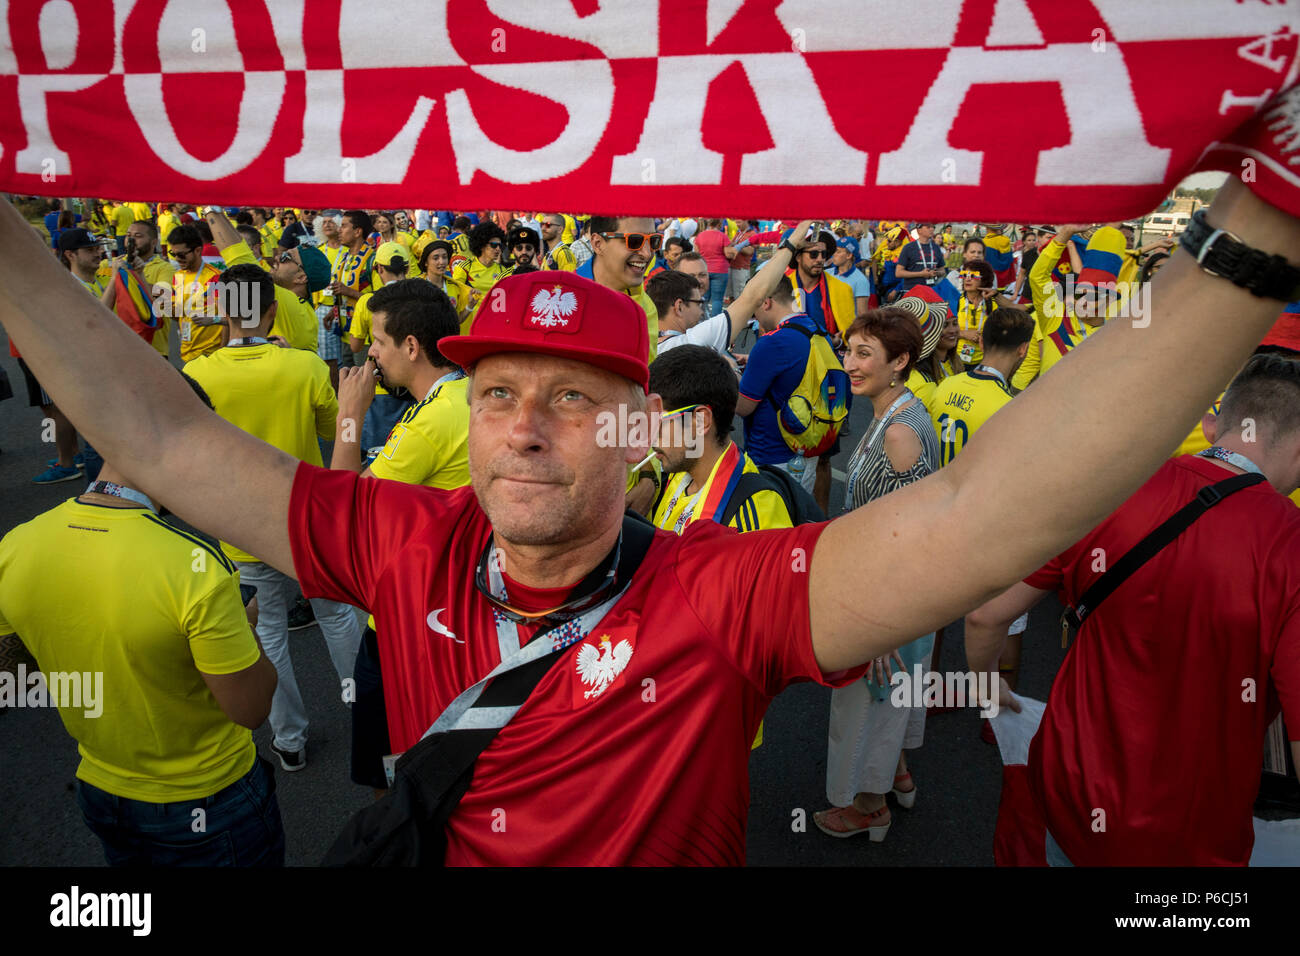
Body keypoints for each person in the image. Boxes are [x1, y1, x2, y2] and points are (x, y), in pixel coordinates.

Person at [3, 174, 1298, 865]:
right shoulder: (407, 540)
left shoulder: (716, 592)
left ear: (635, 428)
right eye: (497, 390)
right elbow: (163, 433)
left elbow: (975, 517)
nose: (519, 425)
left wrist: (1258, 234)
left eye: (572, 400)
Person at [967, 352, 1300, 866]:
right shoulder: (1289, 546)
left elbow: (985, 615)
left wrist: (987, 683)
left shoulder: (1111, 485)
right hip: (1194, 833)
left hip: (1071, 796)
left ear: (1214, 425)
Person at [0, 369, 284, 866]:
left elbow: (13, 677)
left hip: (101, 786)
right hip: (209, 795)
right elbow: (252, 708)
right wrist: (252, 628)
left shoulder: (16, 545)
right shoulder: (197, 565)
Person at [181, 264, 362, 773]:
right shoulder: (303, 366)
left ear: (222, 310)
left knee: (270, 634)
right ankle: (367, 711)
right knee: (337, 616)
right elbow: (334, 429)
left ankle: (290, 739)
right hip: (308, 517)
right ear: (270, 309)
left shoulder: (198, 374)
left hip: (240, 523)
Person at [330, 279, 469, 791]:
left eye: (377, 340)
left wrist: (350, 415)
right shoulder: (466, 391)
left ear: (411, 346)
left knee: (394, 782)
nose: (370, 352)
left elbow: (341, 510)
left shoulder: (432, 420)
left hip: (407, 625)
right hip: (454, 612)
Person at [814, 308, 942, 840]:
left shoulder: (900, 434)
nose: (850, 363)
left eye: (864, 353)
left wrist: (883, 619)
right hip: (892, 591)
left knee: (870, 698)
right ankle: (897, 775)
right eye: (849, 350)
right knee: (891, 698)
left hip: (889, 596)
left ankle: (870, 806)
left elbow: (910, 537)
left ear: (901, 362)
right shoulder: (896, 414)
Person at [647, 220, 811, 359]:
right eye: (699, 303)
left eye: (703, 274)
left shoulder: (645, 345)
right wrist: (791, 244)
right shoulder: (690, 342)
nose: (702, 309)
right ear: (679, 307)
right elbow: (752, 297)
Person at [206, 209, 327, 352]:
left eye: (285, 258)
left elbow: (239, 257)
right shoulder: (299, 307)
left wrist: (209, 208)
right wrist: (218, 210)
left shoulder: (294, 306)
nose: (277, 258)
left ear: (301, 278)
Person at [348, 243, 417, 457]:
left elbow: (355, 345)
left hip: (379, 387)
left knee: (376, 456)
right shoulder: (420, 300)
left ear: (379, 269)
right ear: (407, 268)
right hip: (416, 386)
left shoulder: (368, 301)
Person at [577, 215, 661, 362]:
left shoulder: (646, 308)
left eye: (653, 241)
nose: (647, 254)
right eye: (635, 241)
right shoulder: (562, 296)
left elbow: (642, 378)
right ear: (598, 243)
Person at [165, 223, 224, 363]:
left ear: (197, 251)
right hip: (186, 352)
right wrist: (167, 308)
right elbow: (177, 315)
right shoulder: (178, 276)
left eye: (181, 254)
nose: (177, 259)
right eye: (173, 254)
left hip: (210, 354)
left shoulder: (214, 277)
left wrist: (223, 352)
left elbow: (227, 316)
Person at [327, 210, 377, 371]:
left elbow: (381, 299)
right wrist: (332, 312)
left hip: (364, 336)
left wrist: (350, 292)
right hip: (345, 331)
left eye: (343, 226)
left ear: (357, 231)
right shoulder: (345, 257)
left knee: (363, 377)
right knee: (347, 375)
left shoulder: (372, 259)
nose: (339, 230)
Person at [783, 228, 855, 339]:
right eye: (813, 254)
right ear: (798, 257)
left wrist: (837, 343)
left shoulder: (842, 289)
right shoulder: (783, 288)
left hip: (829, 353)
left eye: (824, 254)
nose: (820, 259)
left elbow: (849, 334)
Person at [419, 239, 473, 329]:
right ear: (426, 263)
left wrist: (470, 306)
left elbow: (456, 321)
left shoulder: (454, 287)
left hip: (447, 340)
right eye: (436, 258)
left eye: (444, 257)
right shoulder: (417, 286)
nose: (442, 262)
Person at [691, 219, 731, 318]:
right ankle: (715, 323)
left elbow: (696, 253)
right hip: (720, 269)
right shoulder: (723, 236)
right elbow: (728, 254)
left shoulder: (700, 236)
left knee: (704, 296)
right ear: (719, 224)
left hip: (704, 269)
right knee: (717, 299)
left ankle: (701, 319)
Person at [894, 222, 946, 293]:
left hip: (931, 292)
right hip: (912, 291)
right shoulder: (908, 248)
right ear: (919, 230)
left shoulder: (936, 247)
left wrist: (936, 273)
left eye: (933, 227)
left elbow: (943, 271)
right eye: (928, 227)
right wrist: (921, 274)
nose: (931, 229)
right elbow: (898, 273)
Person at [828, 236, 872, 316]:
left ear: (849, 255)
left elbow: (862, 314)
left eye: (838, 252)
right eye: (834, 251)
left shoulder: (860, 281)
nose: (834, 254)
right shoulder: (826, 274)